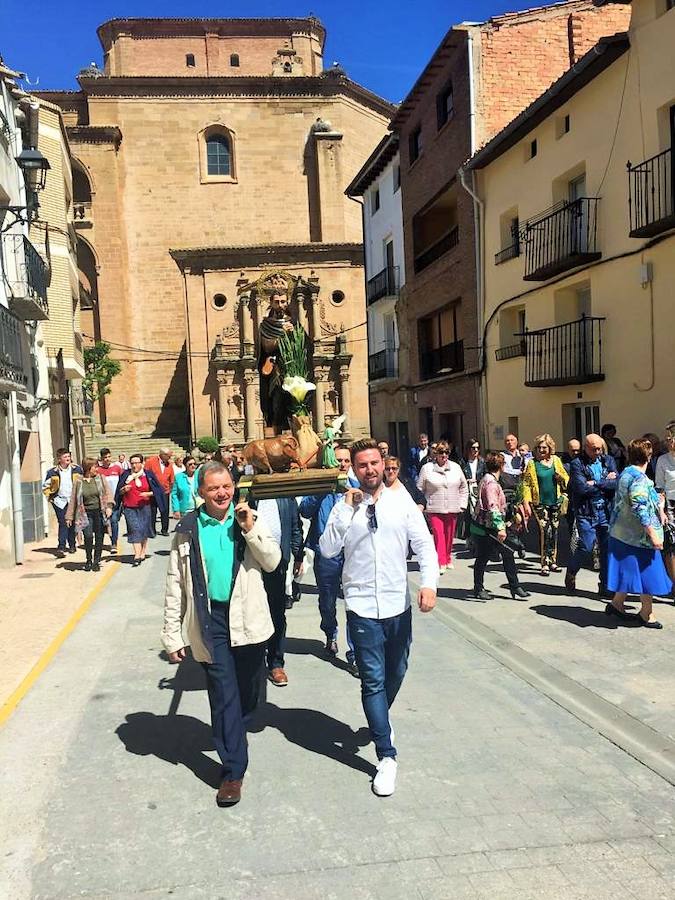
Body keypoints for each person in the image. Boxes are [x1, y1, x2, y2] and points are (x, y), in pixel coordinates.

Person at [319, 438, 438, 797]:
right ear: (354, 470)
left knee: (396, 671)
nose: (369, 470)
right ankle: (386, 754)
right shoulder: (345, 507)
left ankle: (378, 721)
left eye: (374, 463)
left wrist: (429, 584)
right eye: (362, 465)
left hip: (397, 605)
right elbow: (326, 550)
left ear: (383, 464)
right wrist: (344, 510)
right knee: (371, 681)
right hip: (361, 608)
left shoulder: (401, 502)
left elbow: (425, 546)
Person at [161, 461, 280, 807]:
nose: (221, 493)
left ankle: (234, 733)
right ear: (200, 492)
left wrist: (250, 529)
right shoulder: (186, 529)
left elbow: (273, 561)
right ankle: (233, 771)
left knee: (247, 693)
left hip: (248, 620)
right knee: (223, 694)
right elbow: (175, 585)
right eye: (213, 488)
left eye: (226, 486)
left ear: (235, 487)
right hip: (210, 619)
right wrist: (172, 634)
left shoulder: (248, 520)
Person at [299, 445, 359, 672]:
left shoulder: (356, 488)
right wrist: (321, 492)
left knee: (354, 603)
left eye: (345, 461)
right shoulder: (319, 487)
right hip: (325, 555)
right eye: (338, 461)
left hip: (351, 554)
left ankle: (355, 653)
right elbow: (304, 511)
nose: (341, 465)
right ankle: (330, 633)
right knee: (327, 600)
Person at [605, 438, 671, 628]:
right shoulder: (640, 479)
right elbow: (640, 507)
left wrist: (659, 508)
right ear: (649, 457)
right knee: (647, 573)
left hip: (621, 533)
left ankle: (617, 604)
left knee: (628, 571)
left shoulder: (627, 473)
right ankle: (646, 613)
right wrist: (653, 534)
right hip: (638, 538)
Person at [253, 495, 304, 686]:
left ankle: (275, 663)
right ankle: (253, 662)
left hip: (278, 563)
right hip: (250, 563)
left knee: (276, 613)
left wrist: (298, 554)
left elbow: (295, 525)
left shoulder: (285, 497)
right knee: (252, 612)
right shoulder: (248, 492)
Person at [471, 451, 531, 601]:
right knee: (483, 557)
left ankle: (514, 585)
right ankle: (479, 588)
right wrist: (501, 528)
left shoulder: (488, 479)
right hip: (487, 527)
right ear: (501, 466)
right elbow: (493, 507)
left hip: (487, 525)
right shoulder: (491, 483)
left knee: (507, 553)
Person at [565, 433, 618, 596]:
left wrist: (595, 483)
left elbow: (616, 482)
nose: (597, 452)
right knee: (586, 547)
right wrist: (605, 483)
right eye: (594, 449)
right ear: (586, 448)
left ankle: (606, 585)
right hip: (586, 512)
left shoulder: (608, 460)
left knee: (607, 549)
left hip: (606, 511)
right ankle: (572, 571)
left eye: (599, 449)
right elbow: (581, 488)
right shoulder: (577, 464)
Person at [416, 440, 468, 573]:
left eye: (446, 452)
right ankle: (441, 561)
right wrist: (422, 504)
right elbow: (419, 488)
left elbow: (463, 487)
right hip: (434, 508)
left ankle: (448, 557)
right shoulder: (427, 469)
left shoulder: (456, 467)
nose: (444, 455)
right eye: (441, 452)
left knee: (449, 535)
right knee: (439, 534)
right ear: (435, 454)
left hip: (453, 506)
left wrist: (462, 504)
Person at [521, 434, 569, 576]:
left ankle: (553, 561)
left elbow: (566, 479)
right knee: (545, 530)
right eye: (539, 448)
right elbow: (526, 484)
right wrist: (526, 502)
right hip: (539, 502)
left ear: (550, 448)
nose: (541, 450)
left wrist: (560, 478)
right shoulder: (532, 463)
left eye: (544, 447)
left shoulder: (556, 461)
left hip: (555, 501)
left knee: (554, 530)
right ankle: (544, 563)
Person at [116, 453, 167, 566]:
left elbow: (159, 491)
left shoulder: (148, 475)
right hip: (129, 507)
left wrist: (148, 494)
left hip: (145, 507)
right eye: (132, 463)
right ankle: (137, 555)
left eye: (136, 463)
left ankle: (143, 552)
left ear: (141, 463)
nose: (134, 466)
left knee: (143, 530)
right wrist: (124, 490)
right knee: (135, 529)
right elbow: (118, 492)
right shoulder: (125, 475)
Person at [65, 457, 113, 572]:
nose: (97, 469)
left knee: (99, 537)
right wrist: (69, 516)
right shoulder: (78, 482)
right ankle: (88, 559)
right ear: (88, 468)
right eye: (95, 467)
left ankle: (96, 561)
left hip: (99, 512)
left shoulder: (100, 478)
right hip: (85, 513)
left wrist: (109, 506)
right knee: (88, 536)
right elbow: (73, 500)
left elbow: (108, 493)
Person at [42, 448, 83, 558]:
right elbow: (45, 486)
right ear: (59, 459)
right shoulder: (52, 472)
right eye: (65, 457)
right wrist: (50, 497)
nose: (68, 458)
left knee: (73, 522)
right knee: (63, 522)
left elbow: (82, 482)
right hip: (59, 501)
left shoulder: (77, 469)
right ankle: (61, 546)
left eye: (68, 456)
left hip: (73, 500)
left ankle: (72, 544)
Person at [655, 422, 675, 587]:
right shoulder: (663, 460)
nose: (669, 441)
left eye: (672, 438)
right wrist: (662, 511)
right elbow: (659, 488)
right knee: (671, 546)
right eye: (668, 438)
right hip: (670, 506)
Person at [460, 440, 486, 553]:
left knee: (478, 515)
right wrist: (466, 481)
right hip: (467, 491)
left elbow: (485, 475)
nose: (475, 450)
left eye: (477, 448)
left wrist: (478, 481)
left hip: (478, 490)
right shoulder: (463, 462)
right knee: (469, 515)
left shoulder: (482, 462)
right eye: (473, 447)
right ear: (468, 449)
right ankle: (469, 538)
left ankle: (477, 539)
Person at [98, 448, 124, 554]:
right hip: (103, 501)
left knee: (114, 521)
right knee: (104, 522)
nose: (107, 459)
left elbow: (123, 481)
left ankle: (114, 543)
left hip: (116, 500)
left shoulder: (117, 468)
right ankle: (104, 541)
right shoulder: (98, 470)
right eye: (105, 458)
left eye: (109, 457)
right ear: (101, 459)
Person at [146, 448, 175, 536]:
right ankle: (152, 530)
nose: (170, 458)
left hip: (164, 491)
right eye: (169, 456)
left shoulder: (169, 464)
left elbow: (172, 478)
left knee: (165, 511)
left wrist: (169, 488)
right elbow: (146, 474)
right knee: (152, 511)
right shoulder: (151, 461)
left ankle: (164, 529)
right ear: (163, 455)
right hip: (153, 491)